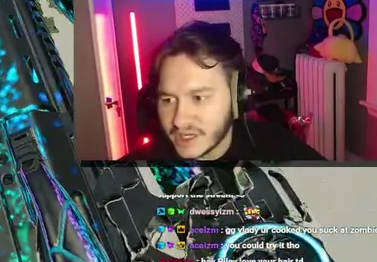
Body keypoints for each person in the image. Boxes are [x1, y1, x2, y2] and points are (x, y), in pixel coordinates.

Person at [119, 22, 324, 162]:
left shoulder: (280, 148)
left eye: (198, 97)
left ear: (238, 96)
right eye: (168, 99)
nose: (179, 121)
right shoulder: (130, 179)